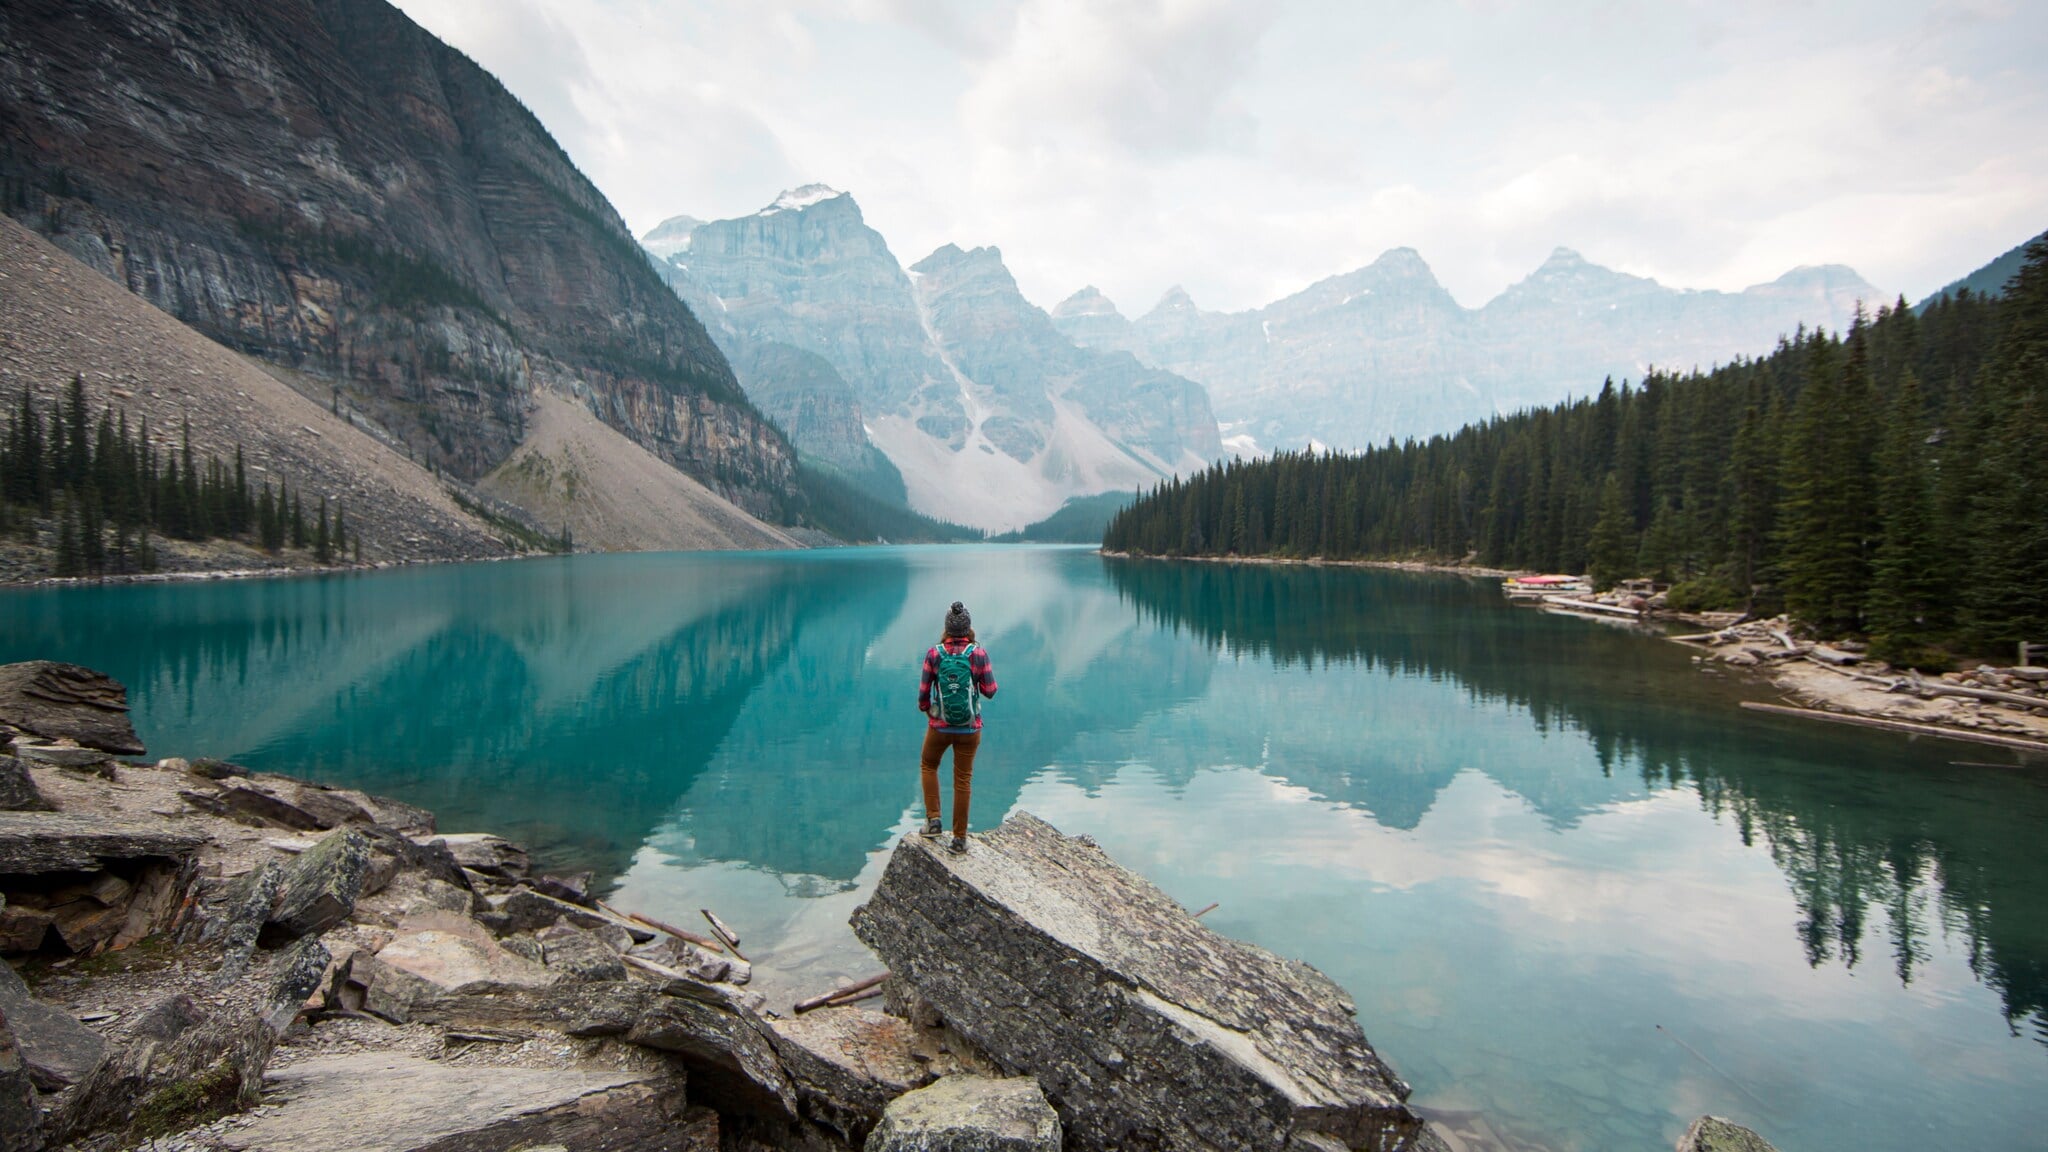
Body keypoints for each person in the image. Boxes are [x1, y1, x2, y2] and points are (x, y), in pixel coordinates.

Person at [917, 601, 997, 854]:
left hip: (939, 728)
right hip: (970, 729)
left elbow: (923, 698)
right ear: (968, 628)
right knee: (962, 779)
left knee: (929, 765)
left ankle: (933, 821)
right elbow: (990, 691)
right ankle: (959, 839)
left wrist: (930, 710)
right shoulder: (978, 654)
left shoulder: (934, 654)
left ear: (947, 628)